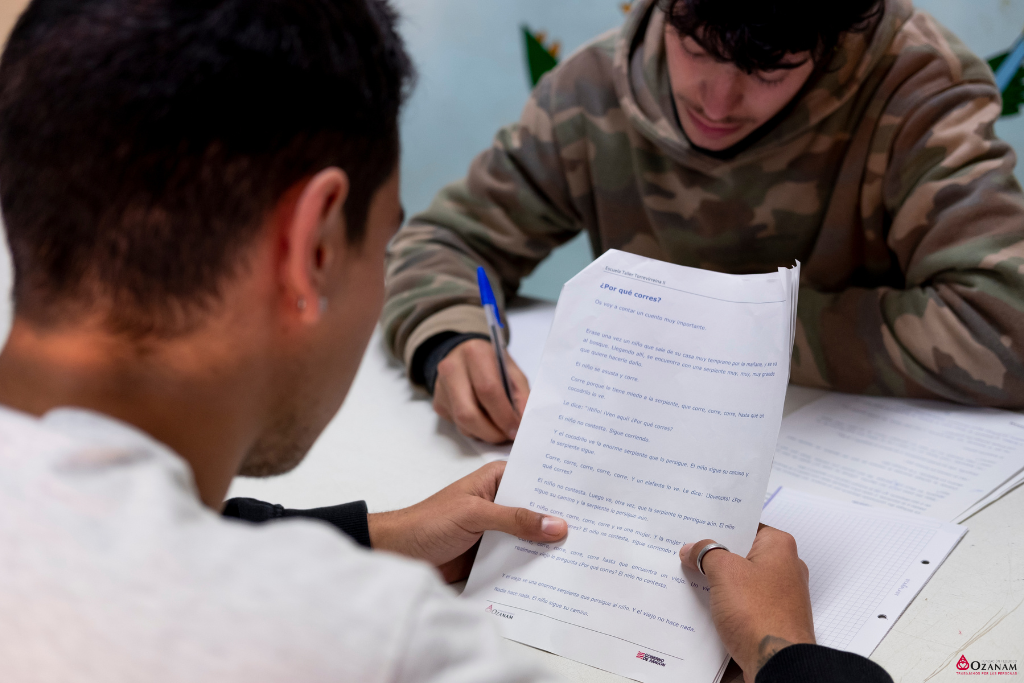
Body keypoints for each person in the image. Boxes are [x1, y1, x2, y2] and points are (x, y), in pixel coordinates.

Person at [0, 0, 892, 681]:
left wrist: (374, 532)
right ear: (311, 246)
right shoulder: (380, 645)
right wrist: (787, 654)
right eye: (386, 235)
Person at [382, 0, 1024, 445]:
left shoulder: (917, 87)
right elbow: (444, 241)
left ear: (832, 43)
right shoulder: (592, 87)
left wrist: (723, 336)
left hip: (857, 469)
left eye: (768, 70)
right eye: (694, 48)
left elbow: (1008, 327)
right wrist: (447, 338)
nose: (717, 102)